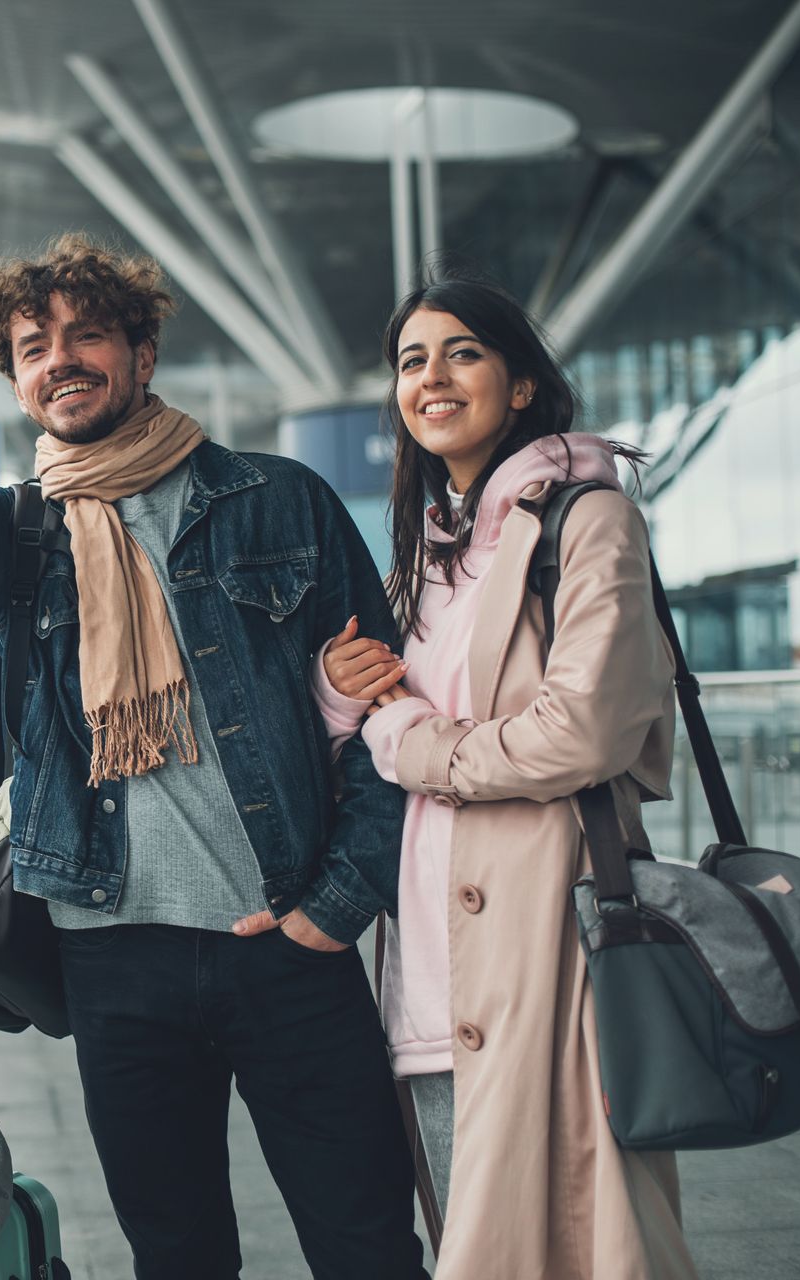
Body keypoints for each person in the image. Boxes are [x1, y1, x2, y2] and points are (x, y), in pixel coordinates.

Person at [0, 183, 425, 1279]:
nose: (60, 358)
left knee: (367, 1240)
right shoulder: (18, 541)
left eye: (86, 332)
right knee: (178, 1254)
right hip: (114, 960)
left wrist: (337, 907)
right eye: (32, 345)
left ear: (142, 350)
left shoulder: (281, 503)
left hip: (286, 940)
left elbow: (392, 724)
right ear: (15, 378)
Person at [307, 275, 699, 1278]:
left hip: (546, 943)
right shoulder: (428, 552)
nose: (431, 377)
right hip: (432, 966)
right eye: (410, 360)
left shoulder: (586, 519)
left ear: (521, 384)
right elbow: (382, 721)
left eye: (462, 352)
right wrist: (343, 698)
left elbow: (584, 730)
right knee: (474, 1238)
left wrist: (408, 740)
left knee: (582, 1236)